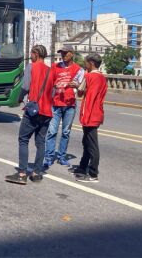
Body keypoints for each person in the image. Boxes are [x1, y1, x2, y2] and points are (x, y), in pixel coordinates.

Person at [5, 45, 54, 185]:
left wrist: (19, 98)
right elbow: (53, 93)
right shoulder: (51, 71)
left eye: (32, 53)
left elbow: (25, 86)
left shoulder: (31, 67)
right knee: (40, 142)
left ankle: (21, 173)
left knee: (23, 139)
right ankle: (37, 173)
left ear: (36, 54)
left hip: (34, 110)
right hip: (47, 111)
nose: (30, 55)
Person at [43, 45, 84, 168]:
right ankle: (49, 157)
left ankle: (61, 156)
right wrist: (53, 85)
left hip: (69, 104)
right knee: (52, 131)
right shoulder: (55, 67)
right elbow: (48, 83)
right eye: (62, 53)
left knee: (66, 132)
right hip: (56, 104)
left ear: (72, 54)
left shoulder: (78, 70)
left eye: (66, 53)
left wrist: (76, 86)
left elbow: (81, 89)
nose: (63, 55)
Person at [70, 53, 107, 182]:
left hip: (91, 114)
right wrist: (78, 87)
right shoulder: (100, 77)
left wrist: (85, 117)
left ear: (91, 63)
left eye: (86, 62)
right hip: (96, 113)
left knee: (91, 144)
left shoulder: (91, 76)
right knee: (87, 142)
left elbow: (87, 97)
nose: (85, 65)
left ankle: (93, 173)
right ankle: (82, 167)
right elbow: (83, 92)